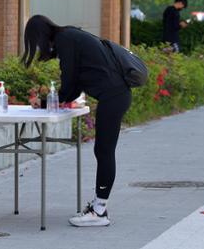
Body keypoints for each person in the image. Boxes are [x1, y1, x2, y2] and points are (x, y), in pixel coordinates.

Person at [22, 15, 132, 227]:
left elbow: (69, 83)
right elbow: (73, 88)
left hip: (113, 97)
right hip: (116, 95)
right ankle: (99, 208)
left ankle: (99, 211)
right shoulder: (71, 35)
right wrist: (50, 101)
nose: (38, 48)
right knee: (103, 151)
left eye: (36, 42)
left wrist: (45, 102)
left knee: (104, 151)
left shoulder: (66, 40)